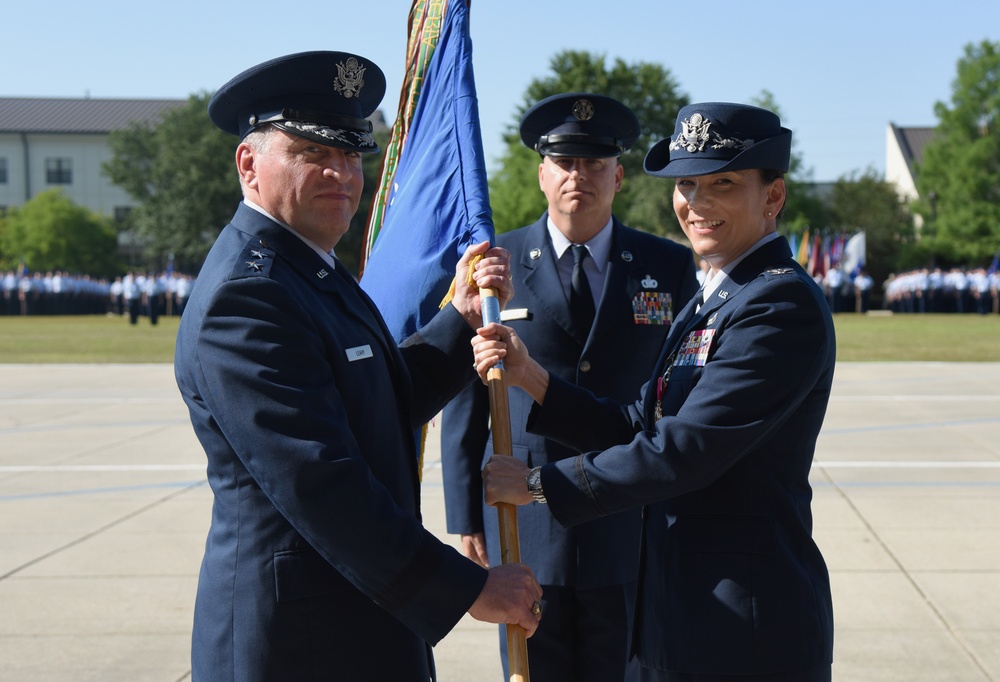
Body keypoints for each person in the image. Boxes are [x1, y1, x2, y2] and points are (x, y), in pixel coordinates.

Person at [174, 51, 542, 682]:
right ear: (248, 164)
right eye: (313, 152)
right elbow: (320, 484)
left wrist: (457, 315)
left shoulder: (309, 270)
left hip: (358, 620)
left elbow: (380, 399)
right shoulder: (248, 295)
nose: (340, 172)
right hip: (299, 641)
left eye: (350, 155)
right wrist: (468, 590)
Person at [474, 102, 836, 681]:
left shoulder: (778, 305)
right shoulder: (716, 296)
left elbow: (685, 448)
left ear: (773, 197)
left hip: (741, 620)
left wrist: (539, 484)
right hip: (678, 607)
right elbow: (642, 423)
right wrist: (531, 377)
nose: (698, 202)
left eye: (723, 183)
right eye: (686, 183)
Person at [441, 92, 698, 682]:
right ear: (541, 173)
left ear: (619, 176)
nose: (578, 176)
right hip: (524, 518)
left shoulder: (667, 265)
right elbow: (464, 397)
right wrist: (465, 513)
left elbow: (676, 396)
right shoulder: (493, 268)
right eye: (564, 161)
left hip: (625, 512)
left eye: (594, 163)